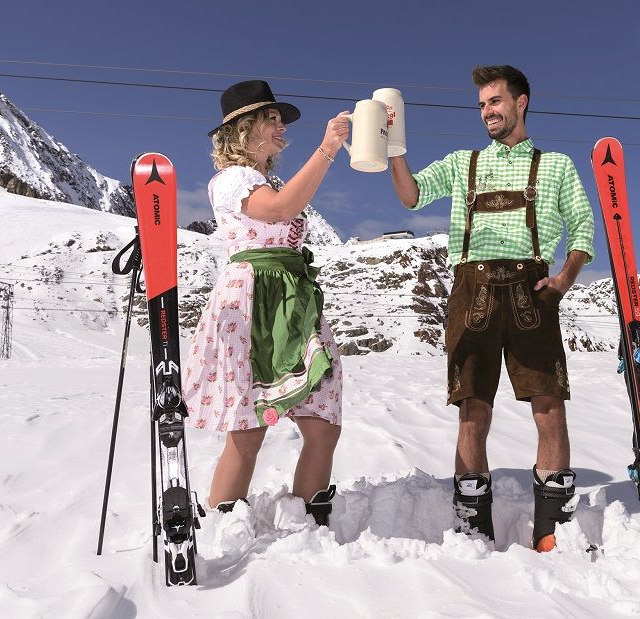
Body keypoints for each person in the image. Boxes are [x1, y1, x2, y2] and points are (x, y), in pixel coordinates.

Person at [388, 65, 595, 551]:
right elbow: (412, 195)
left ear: (521, 103)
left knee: (548, 407)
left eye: (495, 102)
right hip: (472, 291)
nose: (487, 112)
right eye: (482, 105)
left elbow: (583, 226)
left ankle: (552, 529)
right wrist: (394, 147)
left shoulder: (557, 165)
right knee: (471, 410)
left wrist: (564, 279)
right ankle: (472, 529)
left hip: (532, 293)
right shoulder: (464, 162)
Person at [183, 80, 349, 526]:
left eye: (279, 119)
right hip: (254, 299)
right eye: (270, 118)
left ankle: (309, 520)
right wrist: (328, 149)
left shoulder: (265, 178)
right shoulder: (233, 179)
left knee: (323, 421)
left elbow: (281, 205)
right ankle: (224, 526)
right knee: (248, 429)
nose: (280, 127)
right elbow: (276, 210)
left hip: (291, 298)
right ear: (243, 129)